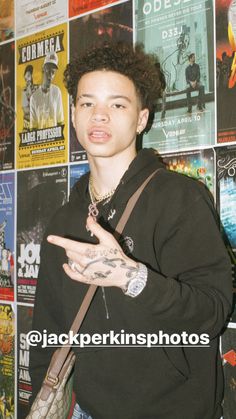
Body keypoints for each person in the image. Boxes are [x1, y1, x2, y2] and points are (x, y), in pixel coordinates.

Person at [29, 42, 232, 419]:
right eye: (87, 103)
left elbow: (213, 311)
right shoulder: (64, 221)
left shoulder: (179, 199)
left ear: (141, 119)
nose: (99, 116)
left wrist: (134, 278)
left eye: (117, 105)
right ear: (73, 115)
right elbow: (48, 329)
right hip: (85, 410)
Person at [30, 52, 64, 130]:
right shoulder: (34, 97)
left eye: (53, 72)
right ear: (43, 69)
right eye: (48, 71)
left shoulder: (57, 92)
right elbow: (33, 128)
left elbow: (60, 122)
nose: (50, 76)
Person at [22, 64, 38, 130]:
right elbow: (26, 110)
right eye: (26, 78)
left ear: (32, 76)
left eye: (29, 76)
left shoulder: (38, 88)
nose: (28, 79)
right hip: (27, 125)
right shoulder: (24, 91)